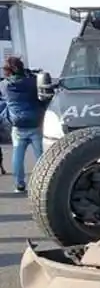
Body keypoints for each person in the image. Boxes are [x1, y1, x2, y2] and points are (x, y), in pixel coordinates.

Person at [0, 56, 45, 193]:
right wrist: (29, 73)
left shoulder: (4, 85)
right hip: (35, 122)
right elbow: (37, 86)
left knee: (18, 155)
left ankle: (19, 184)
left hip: (18, 124)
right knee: (40, 156)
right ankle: (42, 182)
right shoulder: (31, 82)